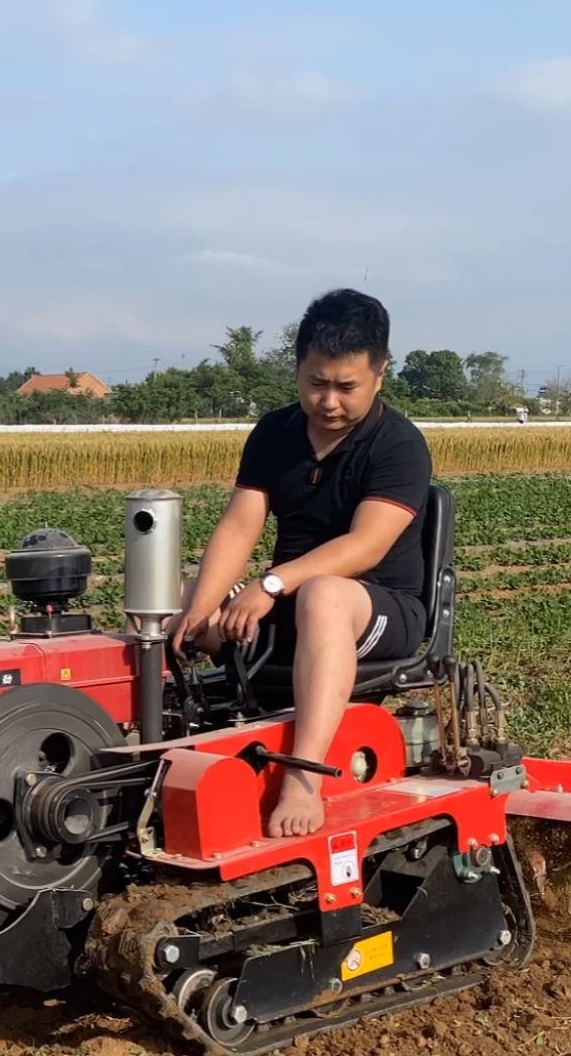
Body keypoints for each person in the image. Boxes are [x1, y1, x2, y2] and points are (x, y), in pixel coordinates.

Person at [174, 288, 432, 839]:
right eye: (317, 383)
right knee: (170, 597)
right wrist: (198, 612)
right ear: (297, 370)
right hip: (291, 604)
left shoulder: (399, 445)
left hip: (379, 610)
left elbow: (365, 546)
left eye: (347, 387)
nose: (329, 401)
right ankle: (148, 741)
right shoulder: (274, 433)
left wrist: (272, 582)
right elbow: (241, 525)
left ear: (380, 374)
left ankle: (304, 777)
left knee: (324, 593)